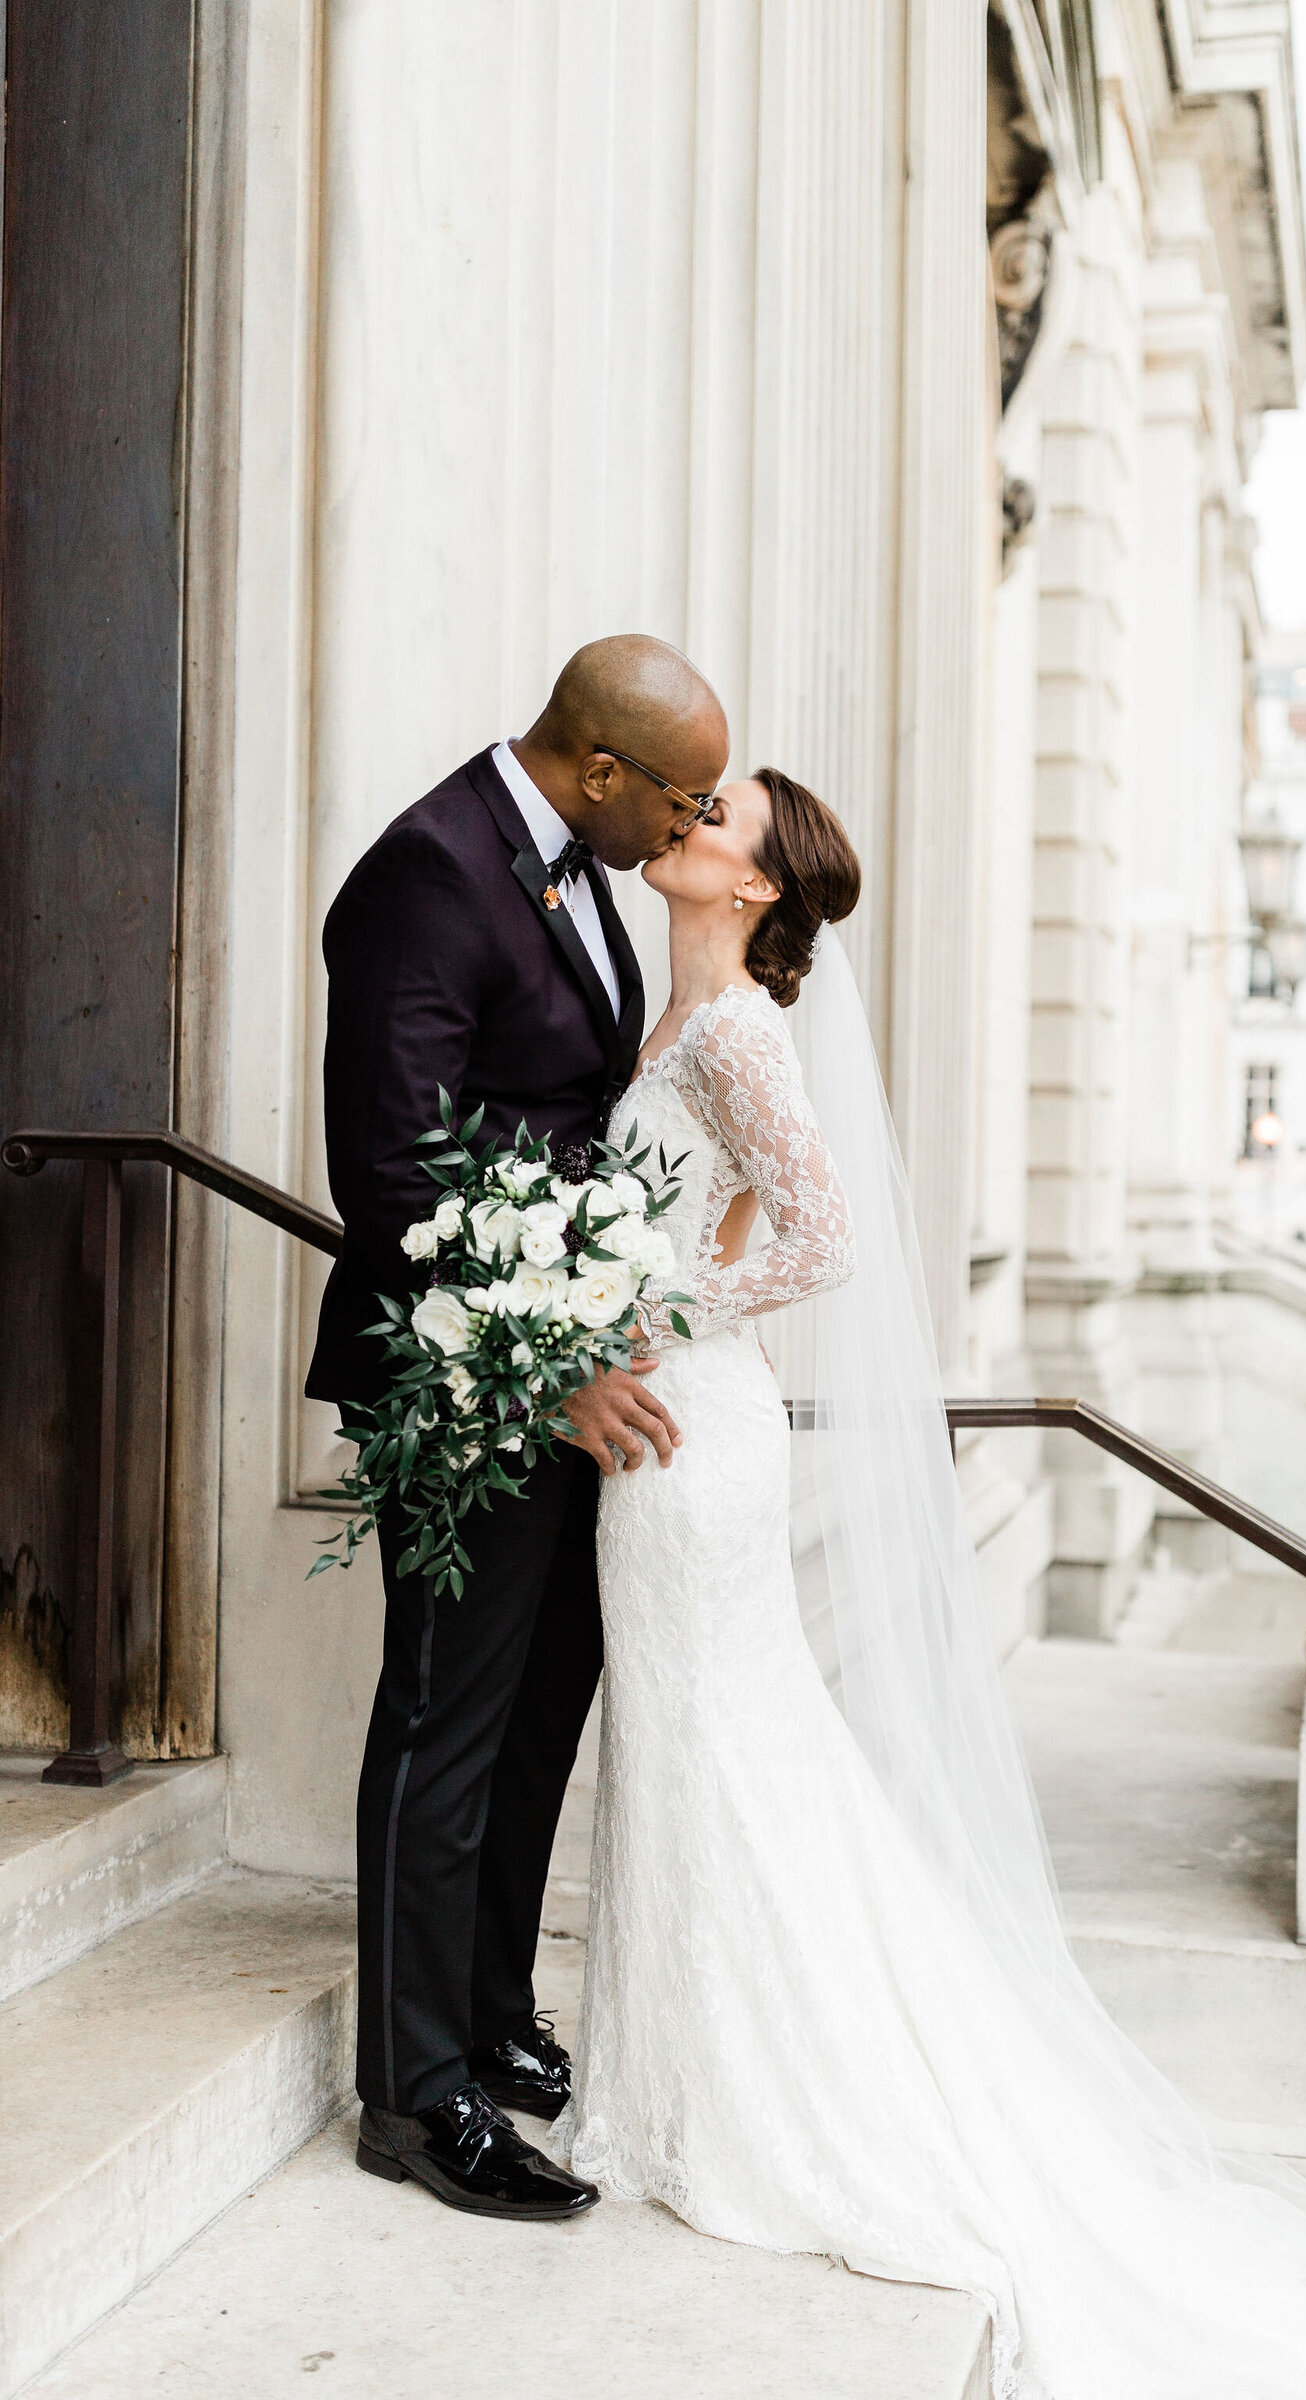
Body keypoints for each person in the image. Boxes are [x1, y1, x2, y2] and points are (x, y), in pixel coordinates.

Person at [547, 766, 1306, 2396]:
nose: (684, 818)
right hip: (668, 1446)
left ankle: (749, 2096)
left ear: (751, 888)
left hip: (701, 1436)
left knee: (720, 1746)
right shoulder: (676, 1021)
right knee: (697, 1752)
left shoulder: (739, 1034)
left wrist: (660, 1309)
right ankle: (673, 2077)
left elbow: (823, 1238)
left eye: (717, 815)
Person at [307, 635, 728, 2220]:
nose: (686, 831)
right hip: (463, 1385)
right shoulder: (428, 872)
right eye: (675, 798)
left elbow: (555, 1125)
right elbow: (395, 1170)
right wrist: (547, 1369)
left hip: (564, 1383)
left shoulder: (572, 870)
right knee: (445, 1723)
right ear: (600, 768)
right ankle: (411, 2100)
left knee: (542, 1706)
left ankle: (485, 2017)